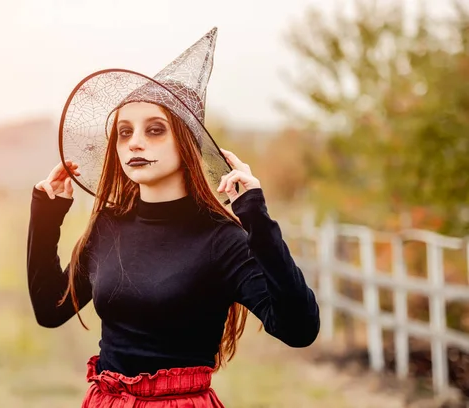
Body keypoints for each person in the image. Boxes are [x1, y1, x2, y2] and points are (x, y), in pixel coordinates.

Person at [27, 27, 320, 407]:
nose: (135, 142)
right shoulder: (108, 226)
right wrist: (46, 213)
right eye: (124, 132)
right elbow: (51, 310)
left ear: (185, 142)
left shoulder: (222, 240)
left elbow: (299, 329)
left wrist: (256, 217)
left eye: (154, 130)